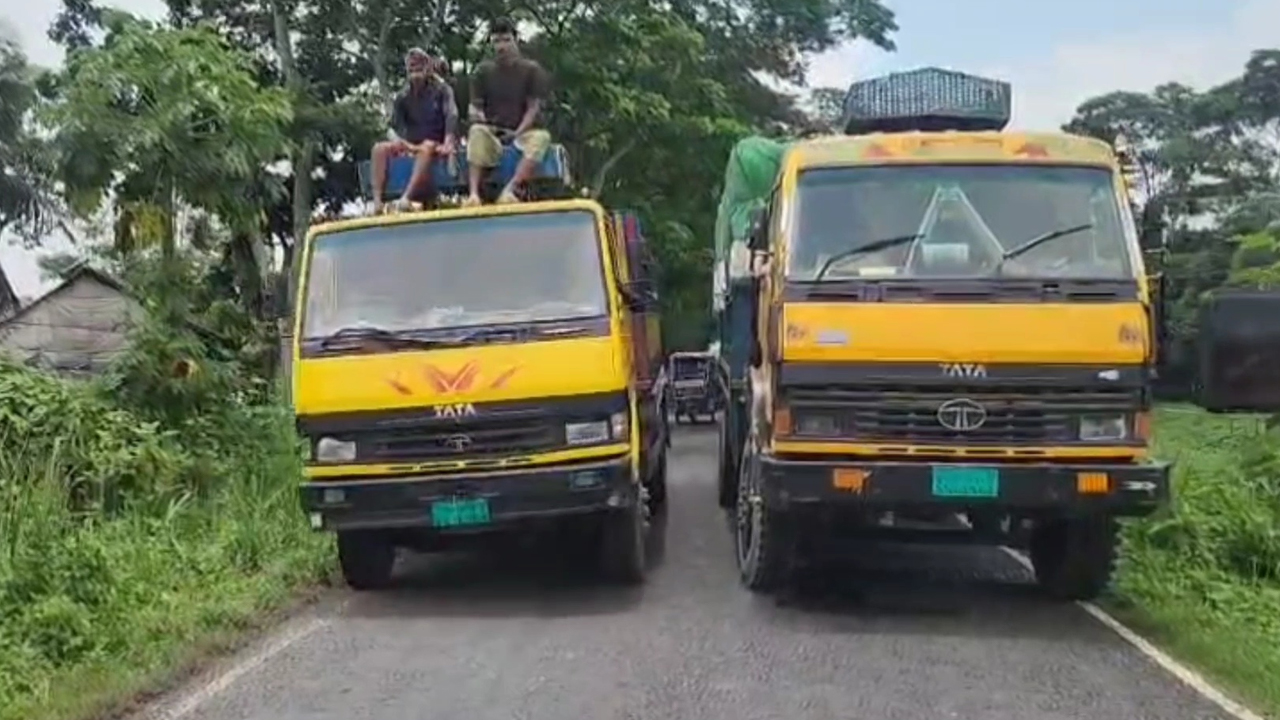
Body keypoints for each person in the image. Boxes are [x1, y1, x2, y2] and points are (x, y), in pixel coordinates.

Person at [464, 18, 552, 206]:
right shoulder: (482, 71)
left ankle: (510, 190)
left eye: (505, 40)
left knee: (541, 138)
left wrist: (517, 132)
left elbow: (533, 108)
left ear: (515, 40)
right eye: (496, 41)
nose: (501, 46)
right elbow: (475, 107)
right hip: (494, 133)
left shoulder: (532, 70)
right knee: (476, 132)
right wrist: (479, 119)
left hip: (523, 133)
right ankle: (473, 195)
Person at [369, 48, 458, 213]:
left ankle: (406, 198)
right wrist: (400, 143)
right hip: (410, 145)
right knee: (379, 149)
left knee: (426, 146)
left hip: (434, 146)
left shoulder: (442, 90)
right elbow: (392, 126)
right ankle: (377, 203)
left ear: (427, 67)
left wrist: (448, 142)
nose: (415, 70)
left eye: (419, 66)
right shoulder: (403, 96)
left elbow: (451, 116)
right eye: (412, 66)